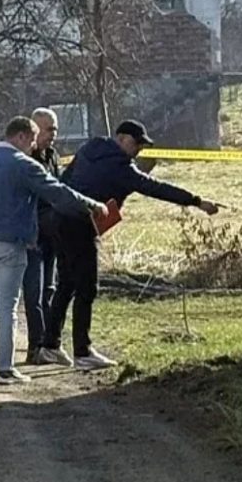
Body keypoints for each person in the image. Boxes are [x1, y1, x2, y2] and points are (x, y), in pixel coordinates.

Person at [37, 119, 220, 370]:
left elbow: (65, 180)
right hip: (81, 225)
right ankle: (83, 351)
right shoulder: (122, 168)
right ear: (122, 139)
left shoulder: (91, 147)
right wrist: (197, 201)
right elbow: (156, 188)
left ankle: (50, 345)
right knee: (87, 287)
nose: (138, 151)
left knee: (66, 283)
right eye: (137, 145)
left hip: (58, 219)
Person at [0, 117, 106, 387]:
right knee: (8, 307)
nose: (33, 147)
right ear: (22, 136)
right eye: (32, 141)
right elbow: (57, 192)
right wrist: (92, 205)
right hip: (10, 243)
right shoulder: (23, 164)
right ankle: (5, 368)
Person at [22, 108, 62, 364]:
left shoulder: (52, 156)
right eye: (49, 129)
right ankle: (35, 345)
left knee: (49, 290)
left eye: (55, 129)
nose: (53, 134)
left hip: (52, 235)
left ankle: (49, 344)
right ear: (35, 129)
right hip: (32, 236)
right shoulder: (25, 159)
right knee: (33, 293)